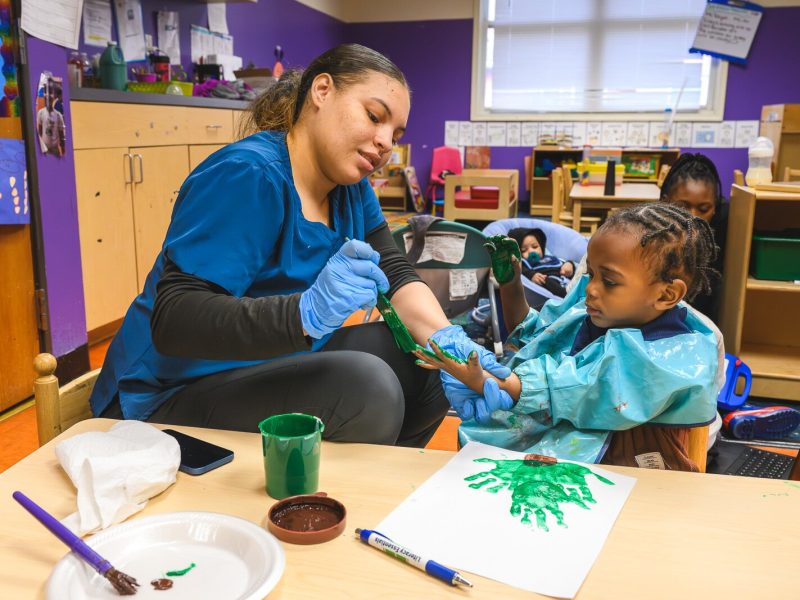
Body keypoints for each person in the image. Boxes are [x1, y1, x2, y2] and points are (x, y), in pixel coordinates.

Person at [89, 44, 507, 447]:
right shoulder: (248, 176)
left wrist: (453, 346)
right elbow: (175, 321)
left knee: (425, 363)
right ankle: (333, 499)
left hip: (248, 367)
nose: (385, 143)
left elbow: (395, 273)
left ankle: (371, 495)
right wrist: (303, 315)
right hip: (163, 394)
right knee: (366, 388)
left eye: (394, 133)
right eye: (374, 116)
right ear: (321, 92)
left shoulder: (350, 187)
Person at [416, 203, 721, 471]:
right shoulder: (598, 305)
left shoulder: (671, 354)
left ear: (667, 294)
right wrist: (510, 284)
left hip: (636, 463)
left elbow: (584, 385)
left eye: (610, 281)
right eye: (591, 273)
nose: (591, 288)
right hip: (576, 430)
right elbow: (538, 336)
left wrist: (488, 380)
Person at [659, 153, 728, 324]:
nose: (693, 217)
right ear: (665, 202)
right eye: (682, 207)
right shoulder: (651, 229)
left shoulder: (726, 232)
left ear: (715, 208)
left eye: (704, 208)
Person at [507, 227, 575, 297]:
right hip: (548, 282)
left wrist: (569, 264)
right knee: (545, 280)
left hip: (566, 281)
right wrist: (532, 275)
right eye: (524, 250)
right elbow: (520, 269)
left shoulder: (550, 258)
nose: (531, 251)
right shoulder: (523, 262)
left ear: (541, 247)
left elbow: (563, 262)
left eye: (535, 246)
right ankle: (566, 295)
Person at [36, 89, 65, 156]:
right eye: (47, 99)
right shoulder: (41, 113)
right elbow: (39, 131)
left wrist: (62, 147)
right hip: (44, 148)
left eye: (50, 99)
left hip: (55, 149)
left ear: (52, 100)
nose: (48, 101)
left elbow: (61, 133)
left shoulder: (58, 115)